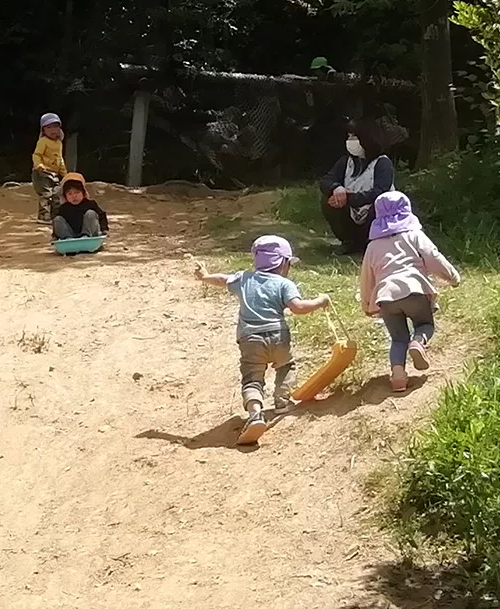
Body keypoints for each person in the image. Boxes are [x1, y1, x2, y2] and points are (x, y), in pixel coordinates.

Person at [195, 236, 331, 445]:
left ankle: (255, 414)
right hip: (278, 336)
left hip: (250, 339)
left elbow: (223, 280)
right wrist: (320, 301)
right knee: (286, 366)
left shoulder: (244, 279)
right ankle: (282, 401)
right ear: (283, 263)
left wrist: (205, 277)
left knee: (252, 379)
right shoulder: (285, 284)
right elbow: (298, 308)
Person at [359, 191, 462, 392]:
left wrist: (366, 304)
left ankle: (398, 376)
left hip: (386, 297)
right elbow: (433, 257)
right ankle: (418, 343)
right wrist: (452, 277)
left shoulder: (372, 246)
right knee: (424, 324)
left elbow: (366, 278)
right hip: (414, 290)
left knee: (398, 339)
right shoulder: (414, 235)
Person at [319, 123, 395, 255]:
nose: (349, 141)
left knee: (380, 203)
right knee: (328, 200)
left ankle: (373, 243)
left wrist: (351, 198)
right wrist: (336, 189)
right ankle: (348, 242)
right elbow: (326, 180)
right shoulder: (345, 162)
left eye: (353, 137)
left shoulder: (383, 163)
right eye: (349, 137)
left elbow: (380, 191)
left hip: (373, 215)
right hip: (351, 213)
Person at [32, 112, 68, 223]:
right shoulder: (43, 141)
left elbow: (59, 159)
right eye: (49, 127)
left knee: (57, 194)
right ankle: (43, 216)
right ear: (43, 130)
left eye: (56, 126)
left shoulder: (59, 143)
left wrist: (65, 174)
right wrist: (38, 165)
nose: (53, 130)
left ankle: (55, 216)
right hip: (42, 172)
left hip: (54, 173)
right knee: (46, 194)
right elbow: (36, 154)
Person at [51, 172, 108, 240]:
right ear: (65, 196)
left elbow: (102, 216)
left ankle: (86, 236)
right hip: (70, 235)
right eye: (70, 194)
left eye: (77, 192)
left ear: (83, 193)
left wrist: (104, 230)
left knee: (91, 213)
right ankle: (68, 239)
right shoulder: (63, 208)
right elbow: (59, 224)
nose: (74, 196)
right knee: (57, 219)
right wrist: (55, 236)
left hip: (90, 234)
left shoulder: (90, 204)